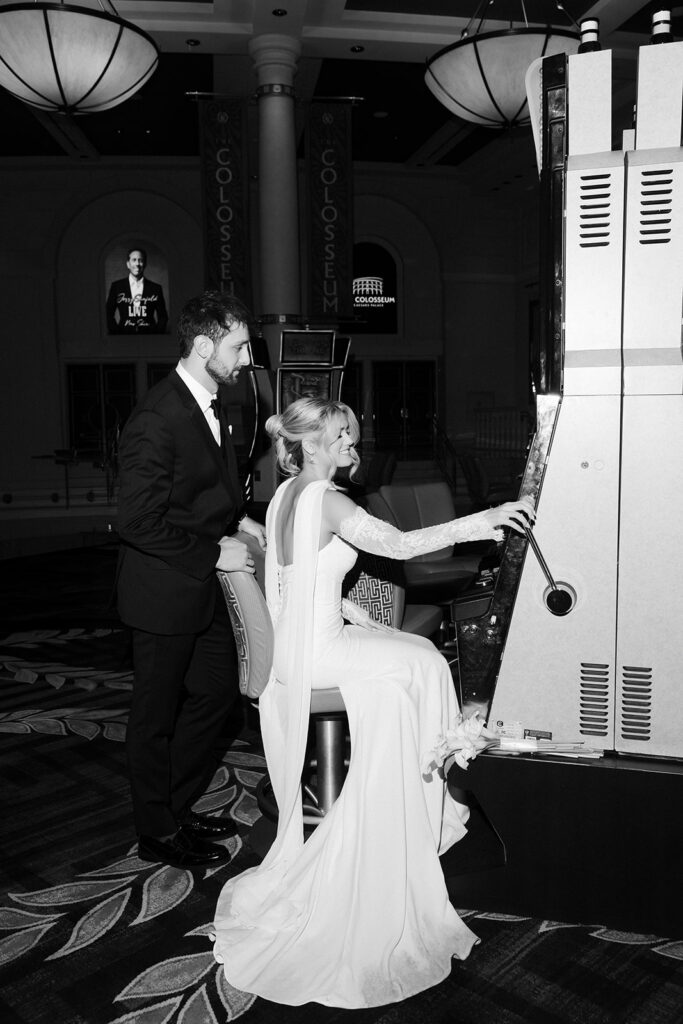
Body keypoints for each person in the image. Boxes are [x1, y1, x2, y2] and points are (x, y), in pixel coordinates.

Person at [212, 397, 535, 1008]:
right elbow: (405, 548)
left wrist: (358, 617)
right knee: (427, 661)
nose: (352, 446)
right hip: (318, 655)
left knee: (409, 654)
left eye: (352, 435)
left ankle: (425, 796)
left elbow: (296, 584)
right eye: (340, 437)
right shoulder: (329, 500)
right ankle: (427, 804)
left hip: (300, 648)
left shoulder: (282, 495)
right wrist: (486, 518)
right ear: (309, 444)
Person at [116, 290, 266, 869]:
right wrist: (214, 554)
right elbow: (135, 521)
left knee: (218, 695)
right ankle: (156, 828)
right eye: (239, 345)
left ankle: (173, 806)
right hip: (162, 592)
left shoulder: (209, 402)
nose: (248, 358)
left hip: (197, 586)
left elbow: (207, 497)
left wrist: (247, 521)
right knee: (153, 719)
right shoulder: (159, 415)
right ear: (203, 346)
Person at [106, 247, 169, 334]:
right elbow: (108, 314)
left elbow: (163, 317)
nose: (137, 264)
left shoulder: (155, 288)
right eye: (134, 260)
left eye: (140, 260)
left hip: (150, 339)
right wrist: (117, 335)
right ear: (128, 264)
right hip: (123, 339)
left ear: (145, 264)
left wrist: (156, 335)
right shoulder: (117, 286)